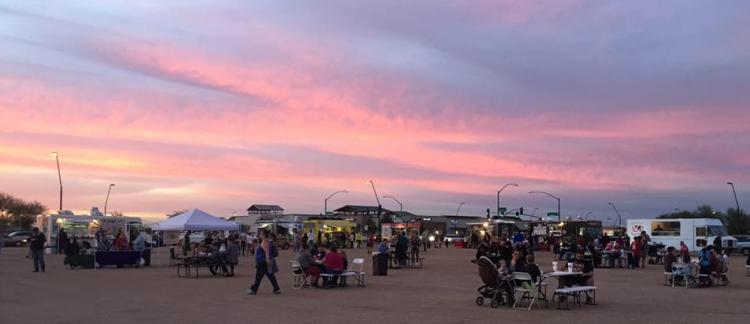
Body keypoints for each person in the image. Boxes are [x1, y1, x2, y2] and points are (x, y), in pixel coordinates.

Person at [247, 231, 281, 295]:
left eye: (261, 234)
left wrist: (267, 260)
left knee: (259, 276)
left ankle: (254, 290)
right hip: (265, 261)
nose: (260, 235)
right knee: (270, 276)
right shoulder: (270, 242)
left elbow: (266, 252)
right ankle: (276, 289)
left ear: (264, 235)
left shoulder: (264, 242)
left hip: (263, 261)